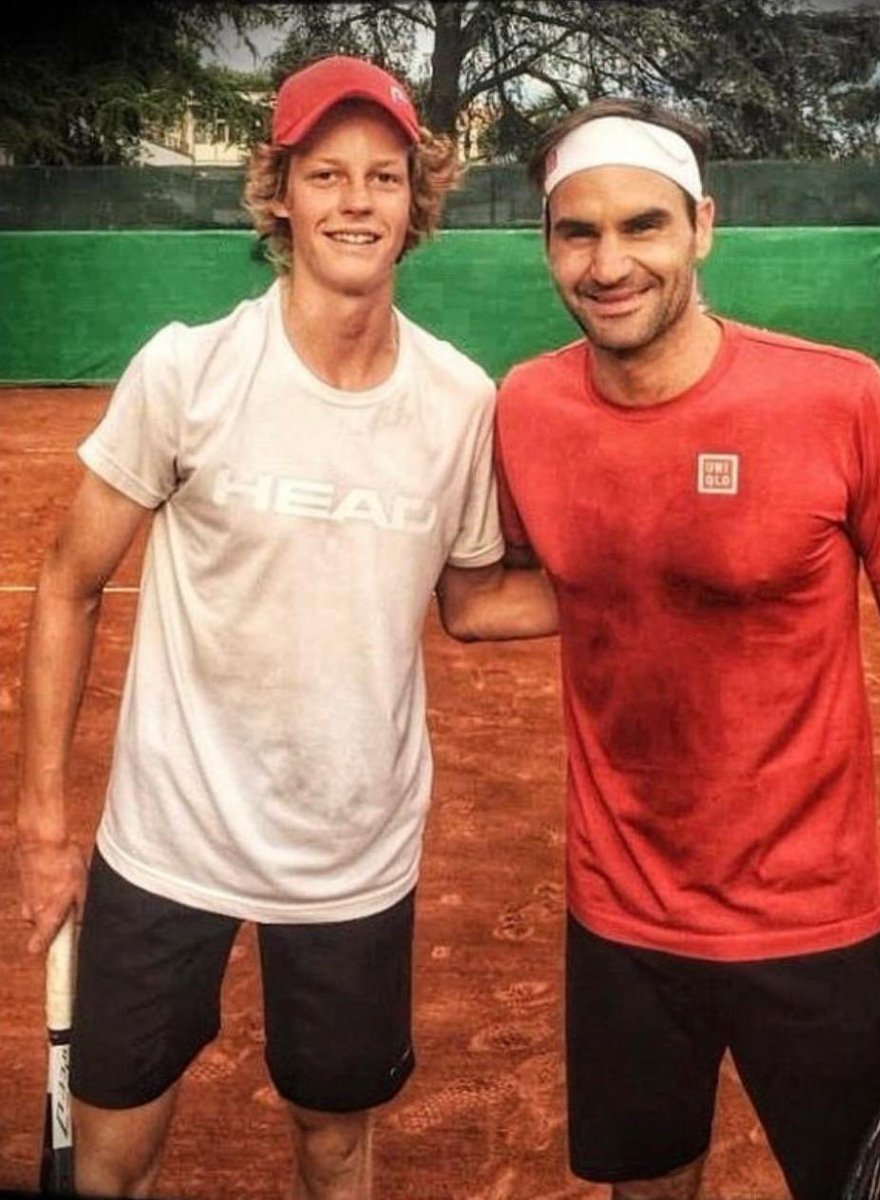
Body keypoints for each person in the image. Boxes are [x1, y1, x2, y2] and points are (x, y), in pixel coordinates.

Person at [15, 55, 554, 1200]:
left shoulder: (461, 403)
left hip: (353, 855)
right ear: (281, 196)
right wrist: (46, 826)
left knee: (334, 1137)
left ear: (417, 205)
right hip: (168, 841)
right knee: (110, 1158)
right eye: (326, 174)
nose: (356, 200)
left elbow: (470, 601)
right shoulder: (189, 370)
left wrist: (651, 585)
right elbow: (66, 585)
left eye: (384, 177)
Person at [492, 97, 880, 1200]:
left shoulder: (837, 396)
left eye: (642, 226)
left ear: (701, 228)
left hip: (810, 922)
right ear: (547, 246)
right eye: (577, 232)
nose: (609, 261)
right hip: (618, 919)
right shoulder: (523, 409)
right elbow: (497, 595)